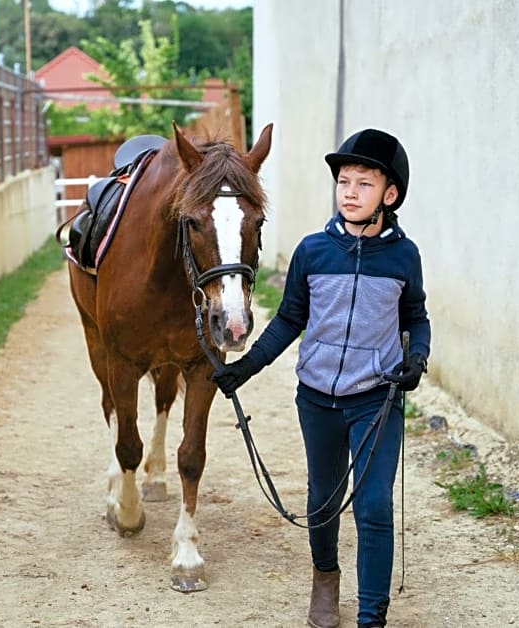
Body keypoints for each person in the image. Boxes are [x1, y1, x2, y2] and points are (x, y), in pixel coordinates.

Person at [212, 128, 430, 628]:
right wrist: (245, 368)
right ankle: (325, 577)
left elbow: (416, 317)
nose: (349, 192)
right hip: (316, 399)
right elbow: (291, 318)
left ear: (389, 195)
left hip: (376, 397)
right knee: (324, 500)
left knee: (374, 504)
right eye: (344, 182)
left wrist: (416, 358)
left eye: (363, 184)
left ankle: (372, 615)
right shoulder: (313, 251)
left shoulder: (403, 256)